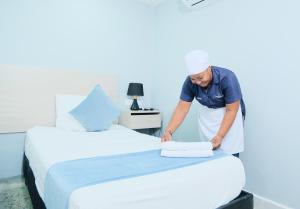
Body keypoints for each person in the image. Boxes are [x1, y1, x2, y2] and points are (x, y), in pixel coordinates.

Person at [161, 50, 245, 157]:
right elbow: (182, 108)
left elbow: (232, 109)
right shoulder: (189, 82)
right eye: (193, 79)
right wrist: (168, 131)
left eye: (200, 78)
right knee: (208, 155)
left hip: (229, 118)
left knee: (229, 157)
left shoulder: (227, 78)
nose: (198, 82)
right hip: (208, 119)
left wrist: (220, 136)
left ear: (209, 68)